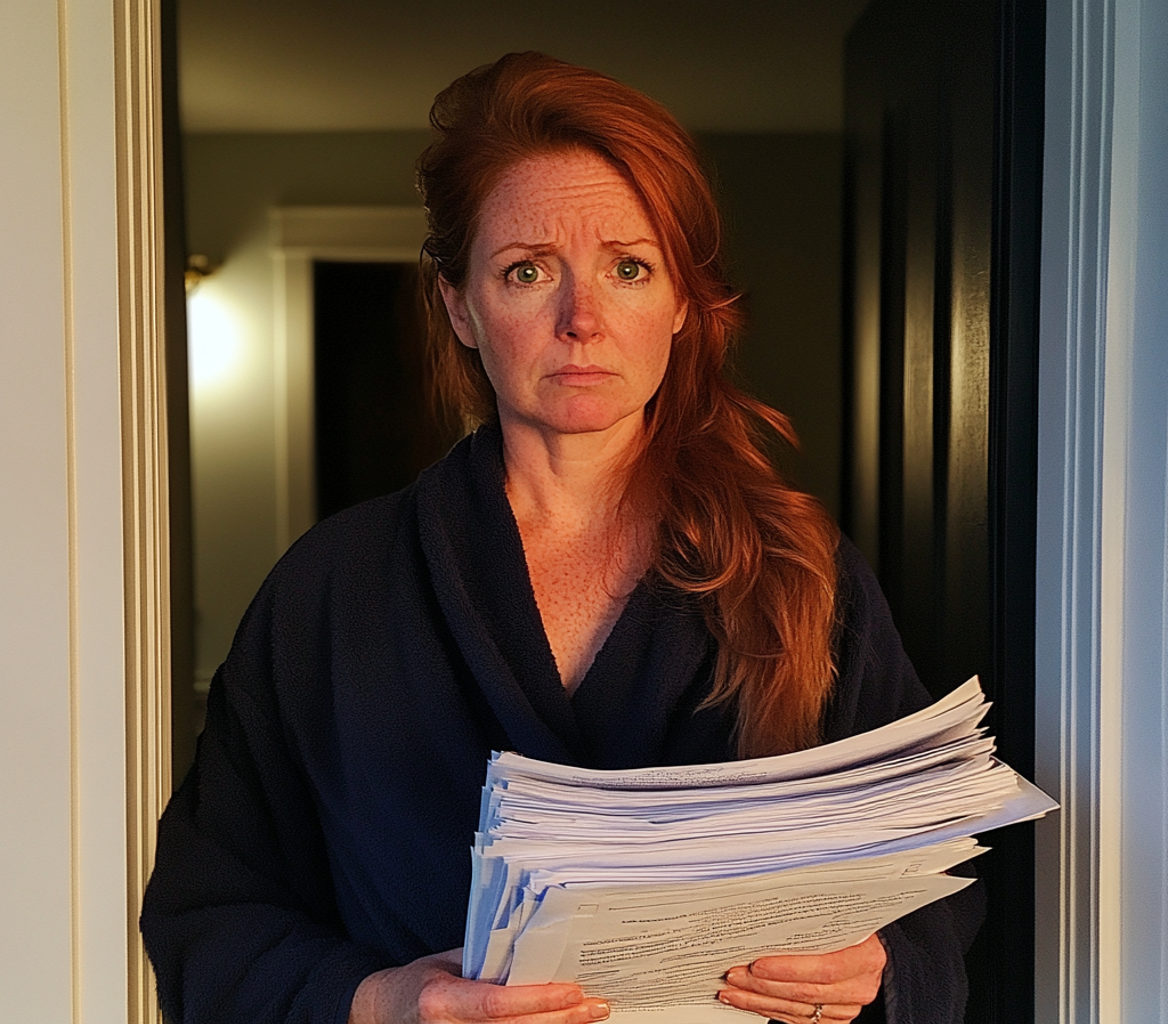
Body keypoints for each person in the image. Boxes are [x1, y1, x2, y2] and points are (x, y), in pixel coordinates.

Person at [141, 52, 982, 1024]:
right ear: (460, 306)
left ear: (679, 302)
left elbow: (934, 886)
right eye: (527, 270)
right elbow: (206, 916)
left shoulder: (799, 569)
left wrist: (875, 960)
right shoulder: (329, 591)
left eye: (628, 267)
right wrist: (382, 999)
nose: (582, 319)